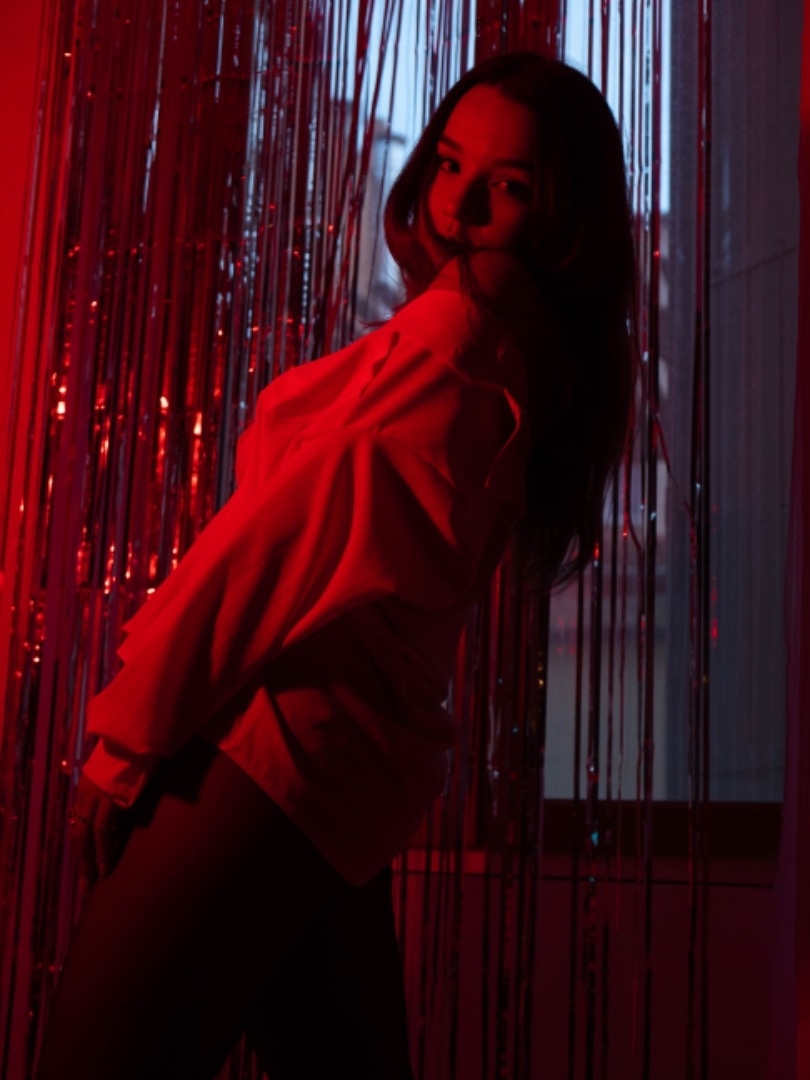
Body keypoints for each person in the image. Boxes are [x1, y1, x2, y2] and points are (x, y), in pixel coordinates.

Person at [35, 50, 637, 1079]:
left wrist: (129, 733)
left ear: (564, 217)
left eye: (509, 186)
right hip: (339, 771)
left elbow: (285, 539)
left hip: (275, 745)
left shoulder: (459, 334)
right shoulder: (518, 361)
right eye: (450, 164)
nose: (459, 207)